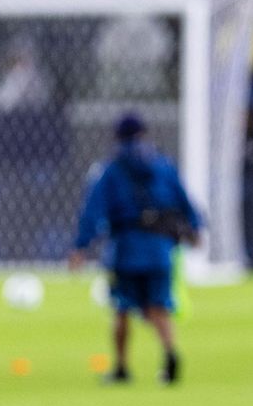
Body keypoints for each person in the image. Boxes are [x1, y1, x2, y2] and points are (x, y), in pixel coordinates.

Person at [70, 113, 201, 383]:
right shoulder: (163, 165)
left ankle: (121, 367)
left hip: (126, 249)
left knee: (122, 309)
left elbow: (93, 210)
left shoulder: (112, 169)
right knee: (158, 307)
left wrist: (81, 246)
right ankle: (170, 353)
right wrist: (195, 229)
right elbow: (184, 200)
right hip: (160, 249)